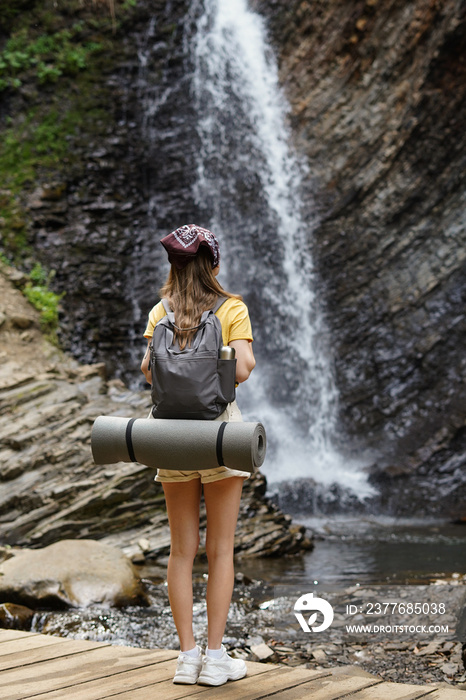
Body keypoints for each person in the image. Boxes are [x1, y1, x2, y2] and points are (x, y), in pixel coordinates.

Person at [141, 224, 256, 687]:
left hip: (171, 438)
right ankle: (214, 658)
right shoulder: (232, 309)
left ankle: (185, 658)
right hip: (219, 437)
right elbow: (243, 370)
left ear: (175, 265)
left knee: (181, 550)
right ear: (214, 264)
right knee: (220, 549)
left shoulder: (160, 310)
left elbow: (150, 374)